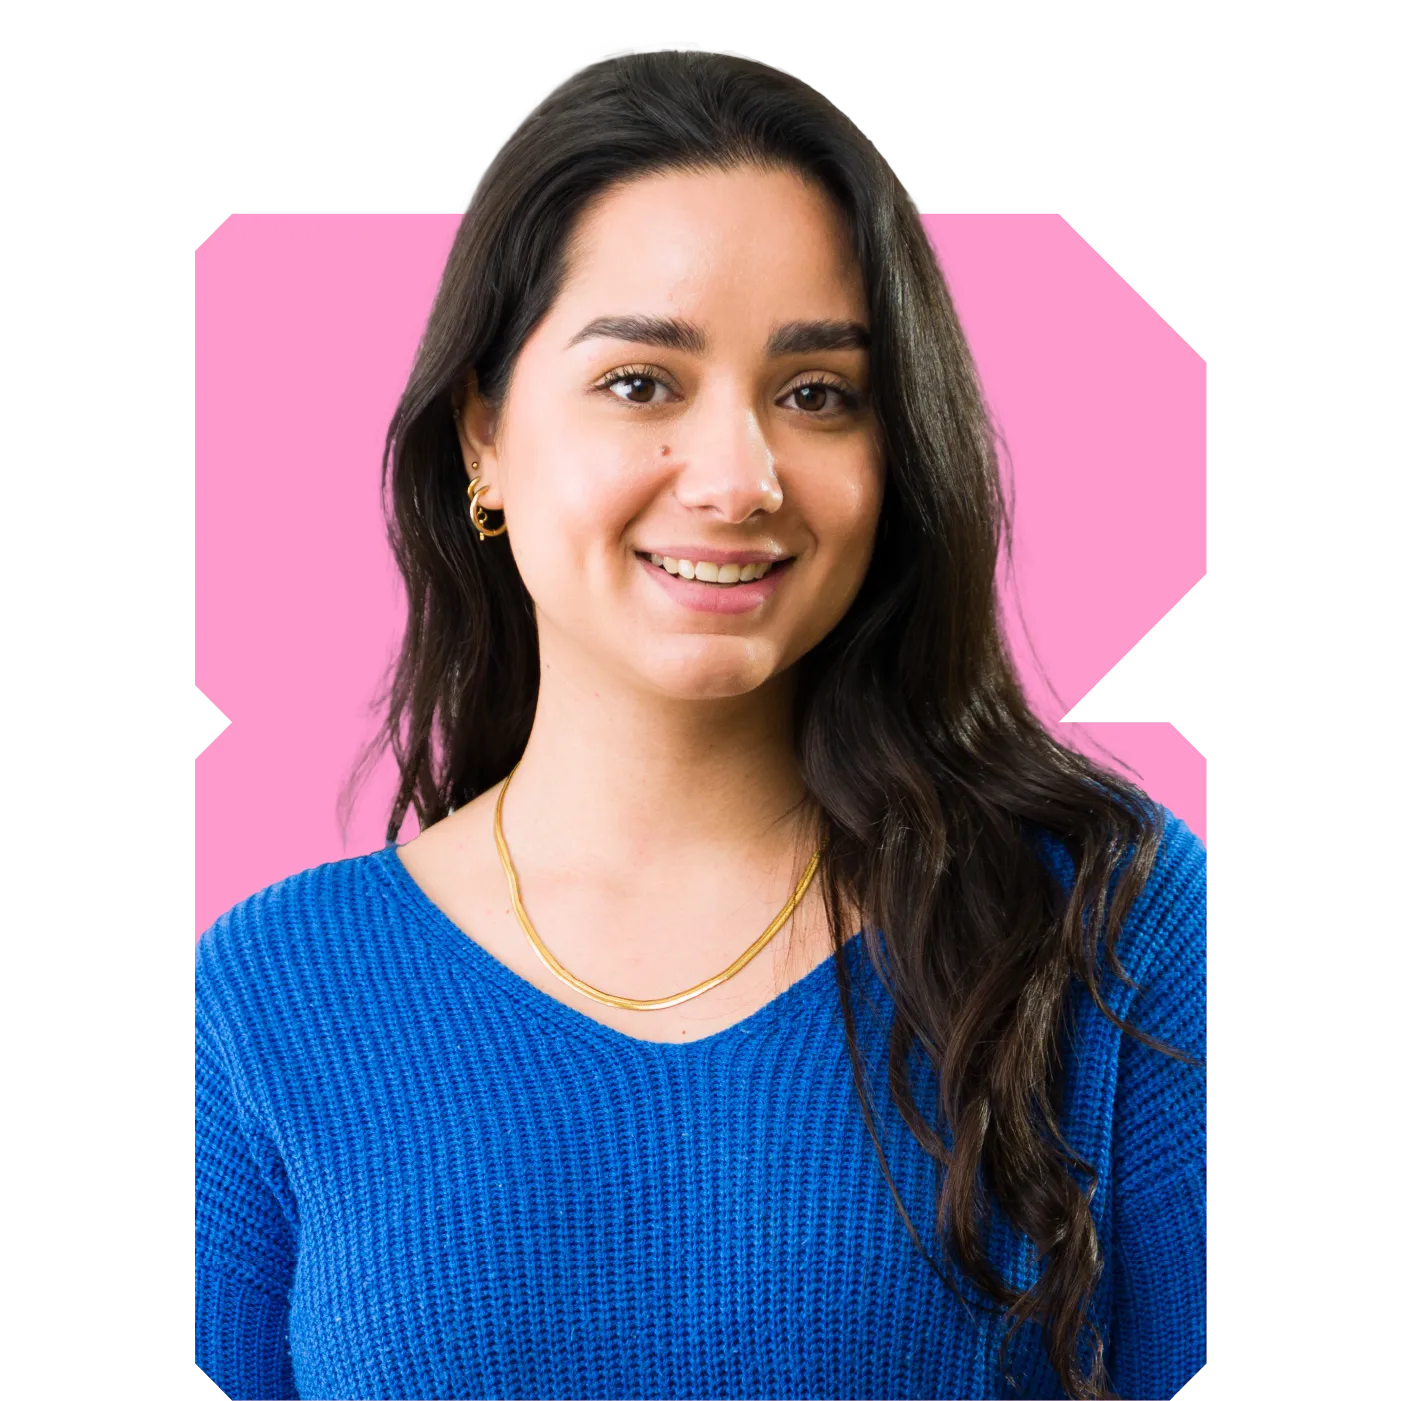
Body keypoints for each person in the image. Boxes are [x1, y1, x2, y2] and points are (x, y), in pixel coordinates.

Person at [193, 37, 1206, 1401]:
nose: (737, 476)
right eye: (640, 383)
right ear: (484, 434)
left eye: (816, 395)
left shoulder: (1110, 929)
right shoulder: (269, 1001)